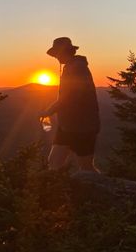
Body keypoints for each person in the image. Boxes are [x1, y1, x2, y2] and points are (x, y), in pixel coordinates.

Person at [41, 37, 100, 172]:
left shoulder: (77, 68)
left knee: (85, 167)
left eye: (57, 54)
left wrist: (48, 111)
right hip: (68, 125)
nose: (56, 57)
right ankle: (55, 191)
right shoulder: (72, 67)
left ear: (64, 52)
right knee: (54, 162)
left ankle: (103, 191)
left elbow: (69, 97)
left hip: (83, 126)